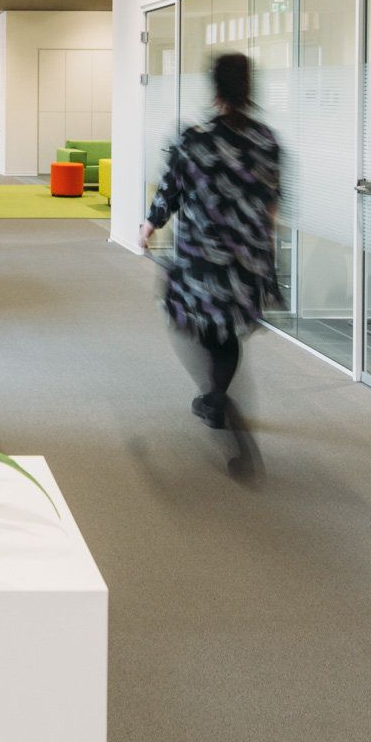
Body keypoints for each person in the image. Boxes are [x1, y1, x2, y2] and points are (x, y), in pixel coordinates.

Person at [139, 51, 281, 472]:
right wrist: (260, 252)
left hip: (203, 255)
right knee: (226, 331)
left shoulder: (195, 139)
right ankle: (216, 397)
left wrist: (149, 225)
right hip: (247, 256)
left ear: (214, 88)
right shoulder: (267, 141)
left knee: (186, 321)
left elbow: (171, 190)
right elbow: (272, 205)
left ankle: (217, 398)